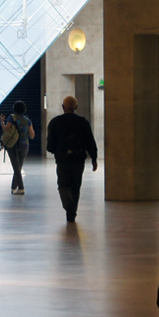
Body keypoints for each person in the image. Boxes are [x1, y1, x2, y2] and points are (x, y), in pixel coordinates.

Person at [46, 94, 98, 222]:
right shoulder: (83, 122)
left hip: (62, 160)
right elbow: (90, 141)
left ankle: (68, 204)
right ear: (76, 107)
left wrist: (55, 150)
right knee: (76, 185)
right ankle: (72, 212)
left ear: (63, 107)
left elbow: (50, 146)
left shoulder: (55, 122)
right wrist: (94, 158)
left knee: (63, 184)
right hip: (78, 159)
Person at [2, 101, 35, 194]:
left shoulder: (11, 118)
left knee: (16, 167)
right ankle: (13, 187)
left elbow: (6, 129)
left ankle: (21, 188)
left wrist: (2, 122)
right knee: (18, 167)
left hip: (13, 144)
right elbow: (32, 135)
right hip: (25, 145)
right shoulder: (27, 120)